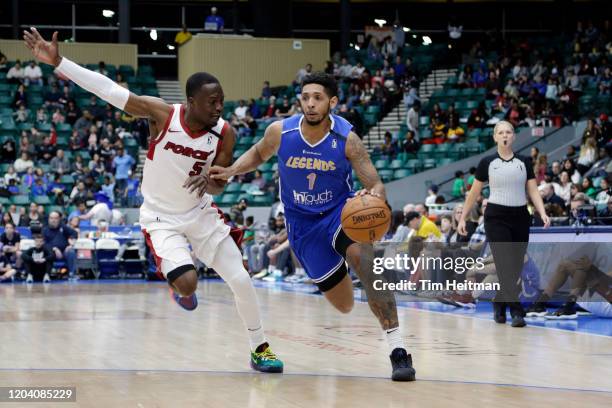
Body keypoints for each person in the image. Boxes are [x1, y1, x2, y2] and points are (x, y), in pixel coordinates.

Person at [23, 26, 282, 372]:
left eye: (221, 100)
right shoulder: (162, 115)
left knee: (240, 278)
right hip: (161, 218)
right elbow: (108, 90)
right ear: (190, 102)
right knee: (189, 283)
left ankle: (259, 348)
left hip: (200, 212)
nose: (220, 107)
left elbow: (218, 185)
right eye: (212, 102)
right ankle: (178, 284)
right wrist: (59, 62)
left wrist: (214, 179)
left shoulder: (225, 133)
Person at [209, 72, 416, 381]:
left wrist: (371, 197)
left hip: (339, 214)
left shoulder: (348, 139)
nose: (310, 104)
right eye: (305, 97)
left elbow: (376, 185)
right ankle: (341, 264)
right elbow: (258, 153)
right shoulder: (281, 132)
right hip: (303, 227)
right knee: (344, 305)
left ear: (332, 102)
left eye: (317, 98)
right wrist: (231, 170)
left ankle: (398, 351)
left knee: (368, 264)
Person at [458, 120, 550, 327]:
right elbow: (474, 192)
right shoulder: (487, 162)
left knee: (515, 267)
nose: (505, 135)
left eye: (509, 132)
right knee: (504, 263)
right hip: (496, 217)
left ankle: (499, 301)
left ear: (514, 136)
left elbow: (533, 190)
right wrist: (463, 217)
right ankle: (517, 311)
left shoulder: (524, 161)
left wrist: (542, 212)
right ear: (495, 137)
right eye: (501, 132)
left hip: (520, 216)